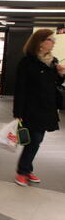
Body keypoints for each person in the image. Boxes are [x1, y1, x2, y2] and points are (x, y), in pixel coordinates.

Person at [13, 29, 65, 187]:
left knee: (37, 140)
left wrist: (61, 74)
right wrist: (18, 112)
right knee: (33, 140)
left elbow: (54, 84)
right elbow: (20, 88)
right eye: (50, 39)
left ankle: (27, 169)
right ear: (40, 42)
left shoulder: (53, 61)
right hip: (31, 107)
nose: (53, 42)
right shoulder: (27, 62)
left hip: (47, 107)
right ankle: (22, 171)